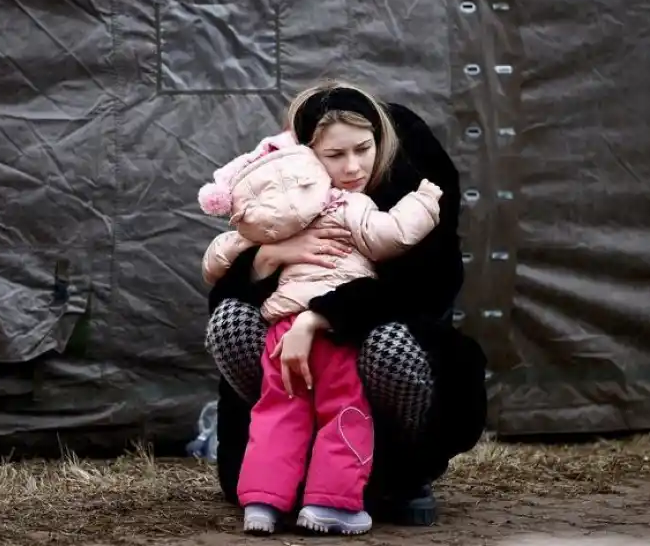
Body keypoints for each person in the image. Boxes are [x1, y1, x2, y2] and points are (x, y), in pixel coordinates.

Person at [203, 79, 489, 527]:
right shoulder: (289, 192)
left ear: (379, 140)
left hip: (373, 334)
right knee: (230, 322)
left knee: (389, 347)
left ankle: (398, 474)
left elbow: (428, 283)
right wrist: (268, 258)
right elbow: (221, 279)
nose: (353, 166)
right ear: (306, 156)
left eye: (363, 149)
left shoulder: (408, 181)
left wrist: (321, 316)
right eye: (334, 156)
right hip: (289, 347)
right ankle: (276, 476)